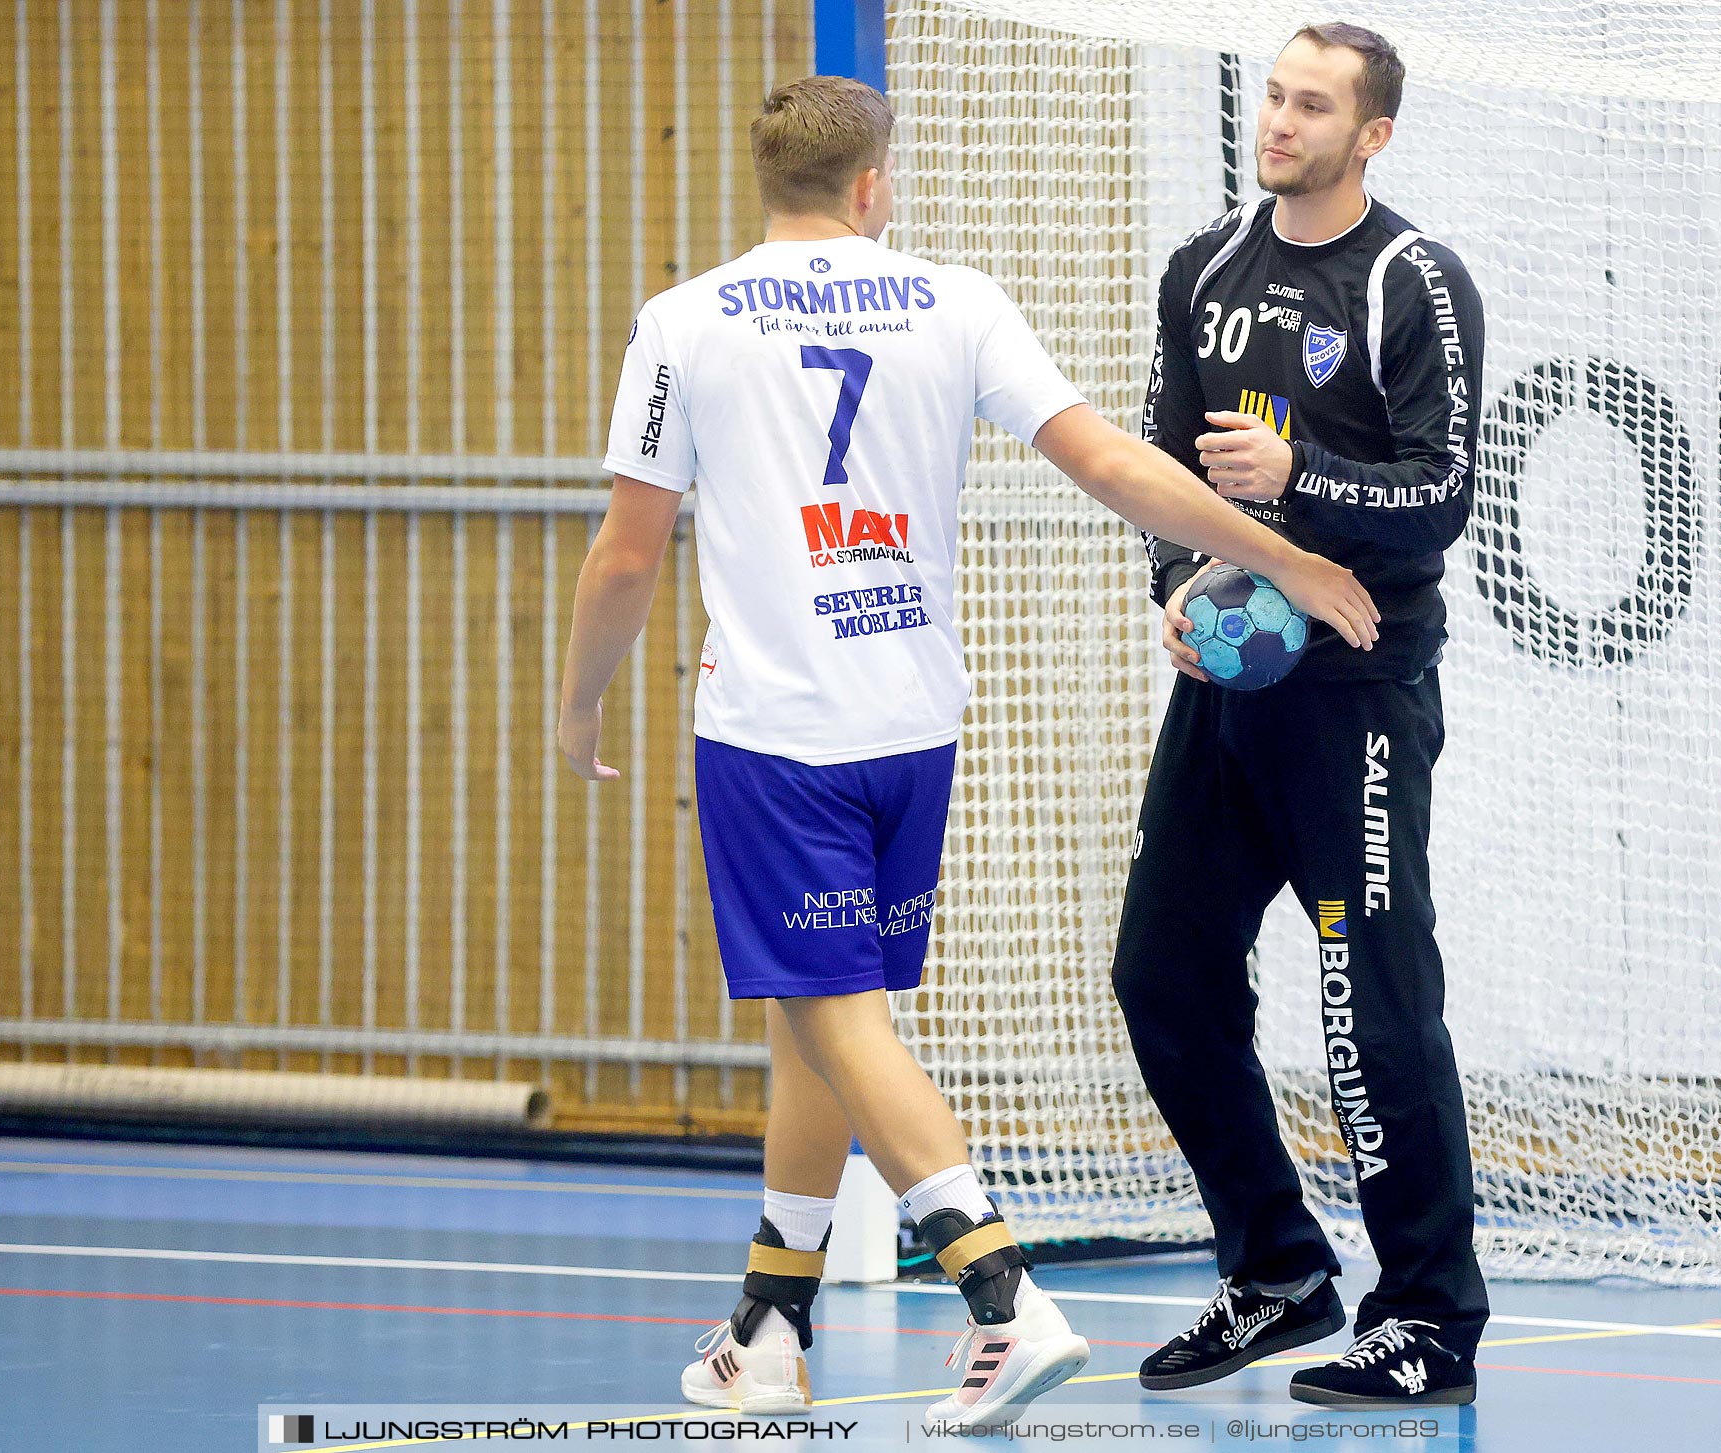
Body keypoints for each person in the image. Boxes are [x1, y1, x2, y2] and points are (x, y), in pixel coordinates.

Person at [559, 75, 1377, 1430]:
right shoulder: (954, 300)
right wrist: (1281, 552)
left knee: (835, 1014)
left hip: (779, 731)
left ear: (768, 181)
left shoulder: (685, 320)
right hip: (913, 726)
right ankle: (772, 1319)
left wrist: (579, 702)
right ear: (876, 186)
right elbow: (1115, 465)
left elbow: (628, 552)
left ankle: (1005, 1297)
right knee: (812, 1022)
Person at [1114, 23, 1489, 1406]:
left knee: (1371, 1009)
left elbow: (1443, 489)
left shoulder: (1410, 278)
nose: (1279, 120)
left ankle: (1430, 1317)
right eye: (1274, 94)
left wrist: (1300, 474)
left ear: (1370, 132)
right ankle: (1276, 1266)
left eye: (1312, 104)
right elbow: (1162, 458)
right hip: (1226, 687)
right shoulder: (1204, 266)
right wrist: (1177, 580)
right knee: (1161, 972)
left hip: (1358, 694)